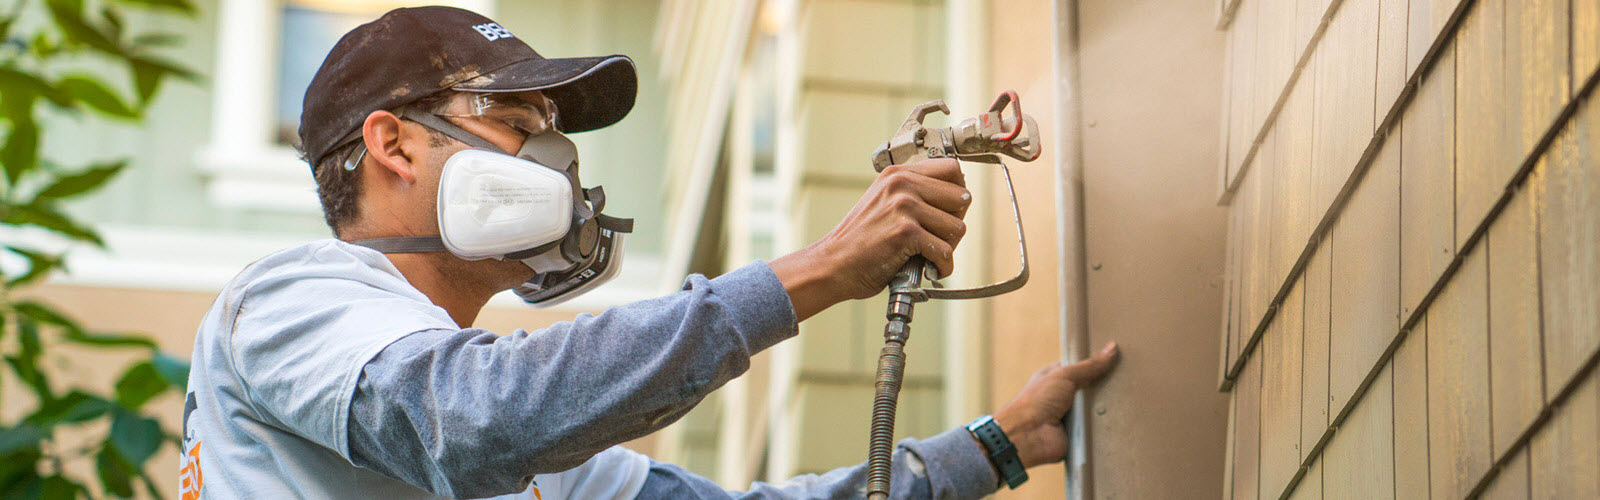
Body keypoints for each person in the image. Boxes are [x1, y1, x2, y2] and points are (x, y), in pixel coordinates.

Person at [178, 6, 1119, 500]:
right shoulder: (287, 300)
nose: (551, 161)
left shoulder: (550, 454)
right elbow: (468, 420)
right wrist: (823, 268)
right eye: (511, 124)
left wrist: (992, 447)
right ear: (392, 145)